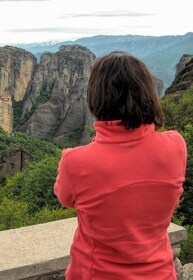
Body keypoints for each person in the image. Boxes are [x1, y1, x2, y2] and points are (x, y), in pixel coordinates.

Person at [54, 51, 187, 279]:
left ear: (96, 98)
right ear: (148, 93)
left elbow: (65, 199)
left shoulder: (75, 161)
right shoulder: (176, 146)